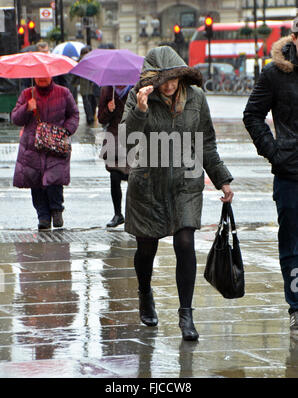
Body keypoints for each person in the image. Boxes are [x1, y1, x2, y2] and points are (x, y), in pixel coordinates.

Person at [120, 46, 234, 341]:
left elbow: (207, 143)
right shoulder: (138, 98)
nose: (168, 86)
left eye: (173, 78)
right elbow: (125, 143)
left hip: (186, 182)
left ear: (181, 74)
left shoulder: (196, 99)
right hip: (148, 184)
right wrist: (140, 112)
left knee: (185, 241)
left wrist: (221, 178)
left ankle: (186, 314)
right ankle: (145, 293)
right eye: (162, 81)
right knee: (146, 249)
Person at [243, 17, 298, 336]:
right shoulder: (275, 73)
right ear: (293, 37)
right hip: (290, 171)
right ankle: (296, 306)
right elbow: (252, 115)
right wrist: (274, 152)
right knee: (292, 244)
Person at [11, 75, 79, 230]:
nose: (42, 78)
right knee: (35, 182)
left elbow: (74, 114)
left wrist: (66, 131)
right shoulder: (27, 94)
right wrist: (27, 108)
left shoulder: (64, 93)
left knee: (54, 179)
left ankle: (56, 209)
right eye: (39, 76)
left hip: (56, 144)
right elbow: (15, 119)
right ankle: (42, 216)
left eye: (45, 76)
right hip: (32, 146)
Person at [98, 85, 131, 227]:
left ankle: (133, 214)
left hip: (133, 138)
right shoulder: (108, 90)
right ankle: (118, 214)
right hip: (114, 138)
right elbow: (101, 119)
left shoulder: (136, 89)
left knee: (134, 180)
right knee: (114, 177)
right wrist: (108, 110)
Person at [71, 46, 99, 125]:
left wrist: (73, 83)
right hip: (92, 86)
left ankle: (89, 118)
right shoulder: (91, 61)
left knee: (87, 103)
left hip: (86, 87)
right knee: (92, 103)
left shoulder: (80, 62)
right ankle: (91, 117)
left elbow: (75, 75)